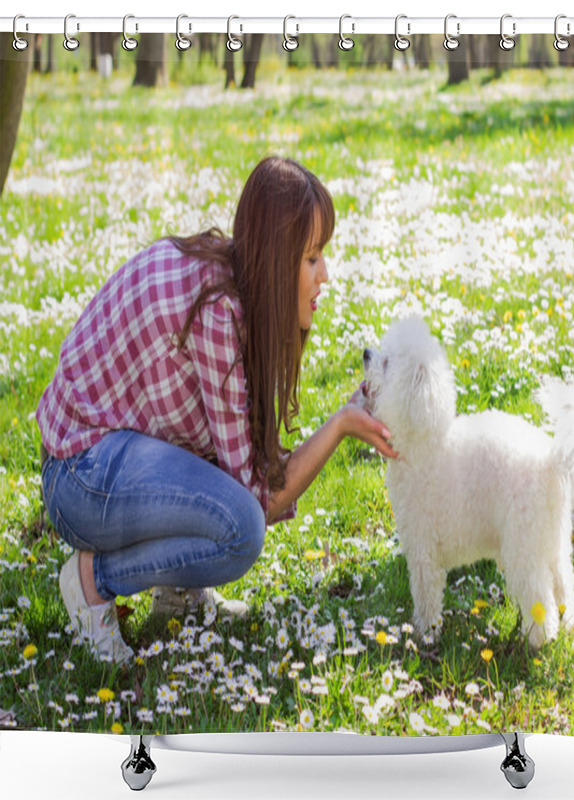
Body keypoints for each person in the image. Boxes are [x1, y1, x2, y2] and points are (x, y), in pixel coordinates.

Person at [37, 156, 397, 663]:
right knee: (240, 529)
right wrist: (339, 425)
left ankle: (178, 592)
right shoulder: (217, 314)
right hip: (79, 476)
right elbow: (256, 500)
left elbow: (233, 457)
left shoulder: (227, 281)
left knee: (230, 497)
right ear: (276, 259)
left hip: (104, 458)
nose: (325, 276)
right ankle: (93, 579)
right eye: (312, 258)